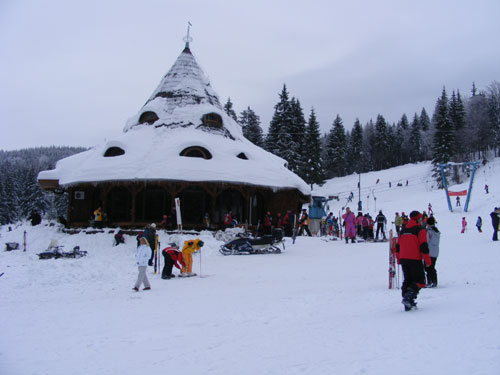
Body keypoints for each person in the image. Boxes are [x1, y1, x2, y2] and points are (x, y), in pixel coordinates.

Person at [396, 210, 431, 311]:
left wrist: (398, 259)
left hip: (403, 259)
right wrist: (427, 261)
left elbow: (398, 246)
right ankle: (408, 297)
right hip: (415, 258)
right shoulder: (420, 230)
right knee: (420, 281)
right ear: (418, 219)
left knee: (408, 279)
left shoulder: (403, 230)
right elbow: (423, 246)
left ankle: (408, 301)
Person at [425, 216, 440, 288]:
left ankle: (431, 281)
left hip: (429, 251)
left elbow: (426, 241)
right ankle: (434, 281)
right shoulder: (436, 231)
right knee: (432, 266)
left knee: (428, 267)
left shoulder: (429, 231)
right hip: (435, 251)